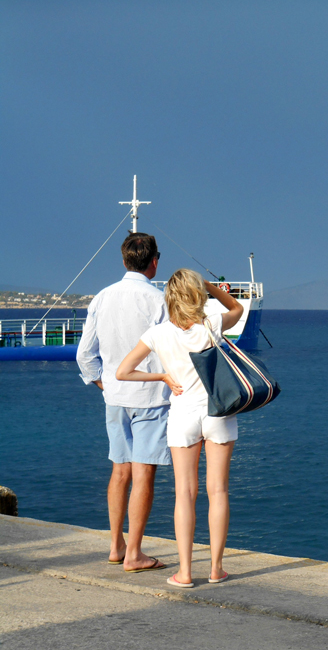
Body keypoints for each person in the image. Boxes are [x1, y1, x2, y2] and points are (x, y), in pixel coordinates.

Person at [116, 269, 243, 588]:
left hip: (182, 415)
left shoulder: (157, 334)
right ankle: (216, 569)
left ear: (169, 298)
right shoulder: (212, 325)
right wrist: (211, 286)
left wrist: (161, 376)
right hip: (218, 412)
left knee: (184, 493)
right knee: (218, 491)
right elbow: (237, 309)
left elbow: (123, 372)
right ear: (197, 295)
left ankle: (185, 573)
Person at [77, 232, 170, 573]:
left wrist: (106, 386)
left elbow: (84, 355)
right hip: (151, 397)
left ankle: (116, 546)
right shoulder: (158, 300)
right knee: (144, 473)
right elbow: (170, 351)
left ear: (123, 259)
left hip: (115, 397)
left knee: (120, 471)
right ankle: (134, 553)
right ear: (154, 262)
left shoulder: (102, 297)